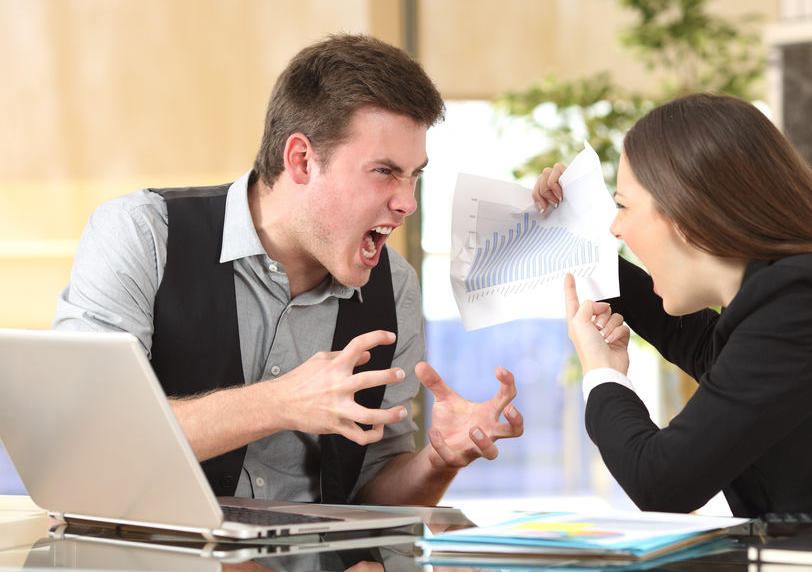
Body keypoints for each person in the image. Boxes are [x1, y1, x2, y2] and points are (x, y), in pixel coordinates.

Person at [52, 33, 523, 507]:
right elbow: (85, 437)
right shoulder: (142, 235)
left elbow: (371, 497)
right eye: (384, 171)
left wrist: (436, 463)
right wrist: (280, 403)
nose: (407, 203)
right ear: (301, 160)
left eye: (414, 174)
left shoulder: (394, 285)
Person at [532, 93, 812, 523]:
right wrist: (572, 239)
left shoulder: (803, 303)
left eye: (623, 207)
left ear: (687, 217)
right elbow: (705, 347)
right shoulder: (803, 287)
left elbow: (660, 480)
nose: (615, 229)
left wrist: (602, 372)